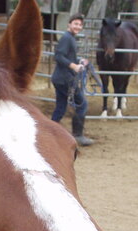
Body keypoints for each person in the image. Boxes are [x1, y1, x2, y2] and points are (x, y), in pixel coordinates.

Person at [51, 13, 94, 146]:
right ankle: (78, 135)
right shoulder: (67, 38)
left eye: (80, 24)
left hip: (60, 78)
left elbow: (66, 56)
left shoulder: (70, 38)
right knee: (82, 104)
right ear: (69, 24)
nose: (78, 26)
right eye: (75, 23)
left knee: (61, 107)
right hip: (65, 79)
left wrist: (79, 60)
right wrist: (74, 66)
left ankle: (49, 132)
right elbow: (58, 56)